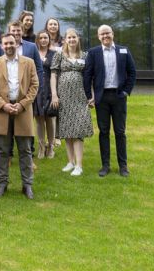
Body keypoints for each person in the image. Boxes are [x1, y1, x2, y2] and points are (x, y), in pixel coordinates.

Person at [0, 34, 39, 199]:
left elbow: (34, 85)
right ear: (2, 46)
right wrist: (3, 104)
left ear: (16, 43)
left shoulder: (28, 62)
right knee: (2, 150)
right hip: (2, 110)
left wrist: (22, 104)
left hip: (22, 110)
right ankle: (2, 184)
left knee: (25, 150)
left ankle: (27, 185)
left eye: (11, 42)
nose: (9, 45)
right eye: (5, 43)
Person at [83, 24, 136, 177]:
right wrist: (89, 96)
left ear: (113, 34)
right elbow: (87, 76)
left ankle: (123, 166)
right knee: (103, 132)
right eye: (102, 34)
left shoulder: (123, 50)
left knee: (120, 132)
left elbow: (132, 73)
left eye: (108, 33)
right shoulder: (93, 53)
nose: (105, 36)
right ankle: (105, 165)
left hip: (119, 96)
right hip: (101, 98)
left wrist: (126, 91)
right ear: (98, 37)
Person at [50, 28, 92, 176]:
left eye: (74, 37)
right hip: (64, 96)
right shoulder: (59, 55)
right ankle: (70, 162)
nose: (72, 40)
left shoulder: (85, 55)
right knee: (67, 130)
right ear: (65, 40)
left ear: (78, 38)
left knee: (78, 129)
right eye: (69, 37)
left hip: (80, 97)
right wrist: (54, 95)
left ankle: (79, 165)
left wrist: (90, 95)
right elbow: (54, 75)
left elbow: (89, 76)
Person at [34, 30, 57, 159]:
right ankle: (41, 146)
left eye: (46, 38)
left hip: (50, 89)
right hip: (37, 90)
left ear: (49, 40)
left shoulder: (54, 54)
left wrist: (56, 93)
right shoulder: (34, 53)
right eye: (41, 37)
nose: (43, 40)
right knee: (39, 120)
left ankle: (51, 146)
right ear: (38, 39)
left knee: (50, 119)